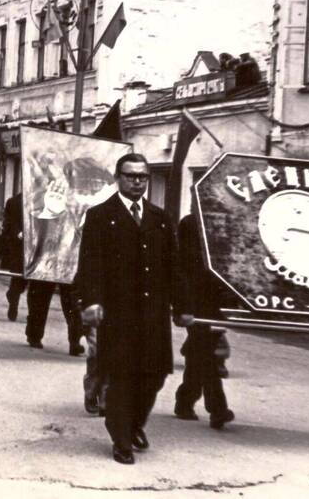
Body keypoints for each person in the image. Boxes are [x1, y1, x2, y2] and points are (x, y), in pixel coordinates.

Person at [75, 152, 190, 465]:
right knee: (122, 377)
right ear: (118, 178)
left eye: (142, 176)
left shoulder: (160, 218)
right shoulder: (100, 216)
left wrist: (182, 306)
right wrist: (92, 302)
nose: (137, 182)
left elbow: (173, 267)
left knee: (154, 376)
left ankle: (136, 423)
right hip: (118, 315)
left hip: (153, 315)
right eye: (130, 176)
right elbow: (90, 265)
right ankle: (121, 439)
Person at [173, 206, 235, 430]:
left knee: (199, 352)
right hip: (194, 300)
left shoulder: (223, 222)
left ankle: (185, 401)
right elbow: (183, 267)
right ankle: (217, 408)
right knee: (206, 354)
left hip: (214, 301)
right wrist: (182, 305)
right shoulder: (189, 224)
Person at [1, 193, 27, 321]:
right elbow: (9, 222)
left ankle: (13, 294)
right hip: (19, 247)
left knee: (31, 282)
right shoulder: (14, 202)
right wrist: (17, 233)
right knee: (18, 278)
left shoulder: (44, 201)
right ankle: (13, 303)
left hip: (37, 247)